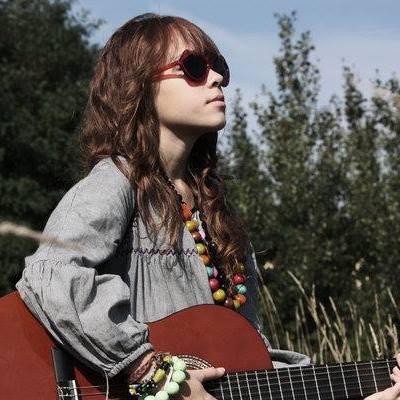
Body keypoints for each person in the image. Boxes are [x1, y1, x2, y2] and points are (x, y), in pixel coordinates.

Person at [15, 12, 400, 400]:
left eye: (220, 68)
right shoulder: (118, 181)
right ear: (138, 85)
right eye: (194, 67)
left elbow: (249, 363)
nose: (216, 78)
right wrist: (151, 371)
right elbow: (52, 274)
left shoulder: (217, 215)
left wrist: (367, 389)